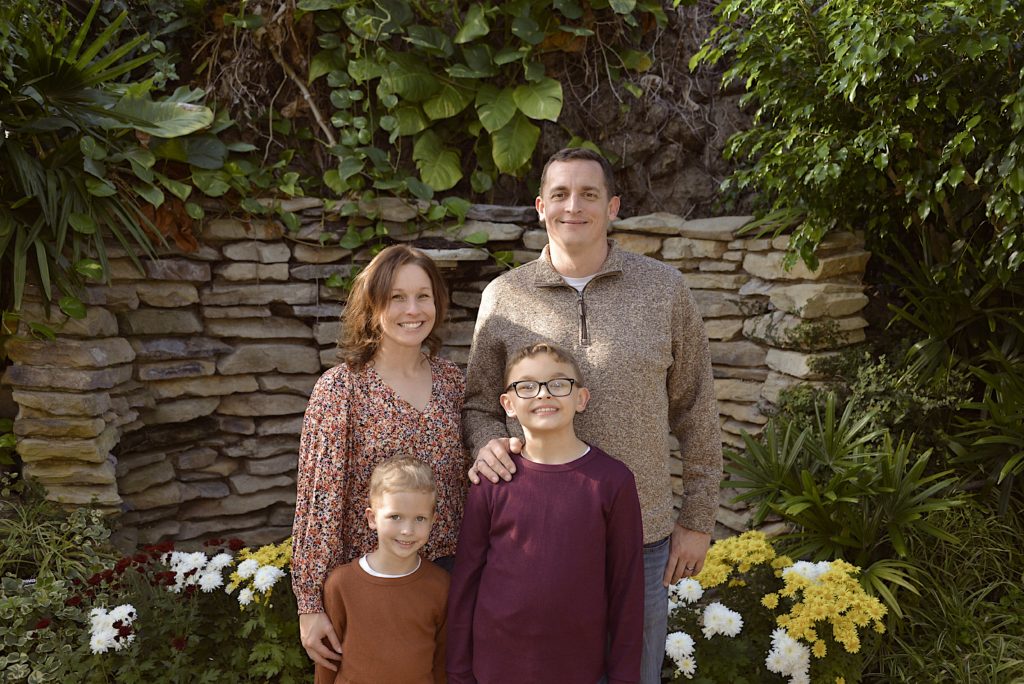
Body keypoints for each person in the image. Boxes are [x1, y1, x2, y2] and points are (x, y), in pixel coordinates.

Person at [462, 147, 724, 684]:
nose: (573, 206)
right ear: (539, 207)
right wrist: (486, 442)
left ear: (613, 207)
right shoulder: (504, 296)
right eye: (559, 194)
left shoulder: (663, 290)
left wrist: (697, 520)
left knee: (633, 673)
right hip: (534, 537)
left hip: (643, 538)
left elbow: (696, 408)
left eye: (589, 194)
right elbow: (479, 404)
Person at [292, 244, 467, 673]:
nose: (413, 309)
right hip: (369, 579)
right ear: (372, 306)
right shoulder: (341, 390)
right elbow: (319, 501)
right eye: (396, 298)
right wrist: (310, 604)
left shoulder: (453, 382)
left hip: (442, 576)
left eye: (423, 296)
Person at [448, 343, 643, 684]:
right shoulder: (493, 479)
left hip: (578, 668)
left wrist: (625, 676)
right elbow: (466, 580)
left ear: (581, 398)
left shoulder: (612, 481)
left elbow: (626, 589)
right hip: (495, 666)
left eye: (558, 383)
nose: (543, 394)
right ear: (508, 405)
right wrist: (459, 671)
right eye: (526, 385)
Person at [315, 456, 449, 684]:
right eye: (395, 517)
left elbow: (442, 660)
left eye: (419, 518)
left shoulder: (441, 585)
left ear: (433, 521)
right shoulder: (341, 583)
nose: (407, 530)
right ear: (372, 518)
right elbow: (327, 660)